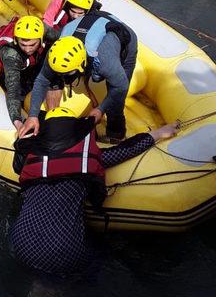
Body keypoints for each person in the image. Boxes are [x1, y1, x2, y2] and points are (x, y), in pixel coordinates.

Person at [10, 106, 179, 274]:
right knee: (95, 262)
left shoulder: (30, 157)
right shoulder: (87, 157)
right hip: (64, 249)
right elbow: (127, 149)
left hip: (22, 241)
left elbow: (18, 162)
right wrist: (159, 133)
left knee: (41, 279)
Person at [21, 7, 138, 142]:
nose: (64, 77)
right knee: (54, 79)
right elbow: (42, 80)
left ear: (82, 64)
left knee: (117, 101)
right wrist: (33, 115)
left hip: (122, 37)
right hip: (88, 28)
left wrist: (101, 109)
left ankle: (116, 134)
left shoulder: (105, 59)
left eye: (68, 73)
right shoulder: (56, 51)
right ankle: (53, 120)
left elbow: (121, 87)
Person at [0, 15, 58, 132]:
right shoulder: (11, 55)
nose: (27, 49)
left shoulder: (44, 30)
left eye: (32, 45)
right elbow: (13, 90)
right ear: (16, 40)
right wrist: (17, 121)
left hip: (23, 63)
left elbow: (58, 38)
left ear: (41, 38)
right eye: (23, 44)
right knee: (15, 86)